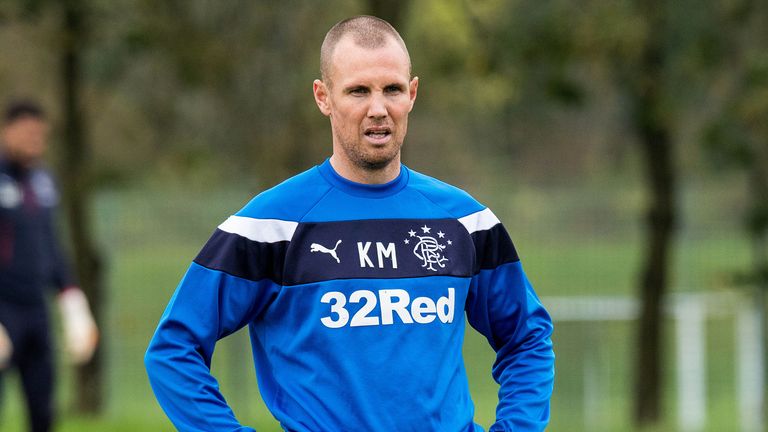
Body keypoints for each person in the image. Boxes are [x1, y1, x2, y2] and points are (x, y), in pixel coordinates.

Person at [145, 15, 554, 432]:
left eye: (392, 89)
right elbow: (173, 350)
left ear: (412, 94)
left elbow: (528, 339)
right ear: (323, 97)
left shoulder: (466, 221)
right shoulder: (270, 227)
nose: (378, 109)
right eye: (358, 90)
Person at [0, 100, 99, 432]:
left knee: (43, 409)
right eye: (27, 133)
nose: (34, 141)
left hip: (36, 310)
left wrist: (73, 301)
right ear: (6, 131)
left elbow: (51, 245)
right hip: (3, 308)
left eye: (40, 135)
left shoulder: (44, 181)